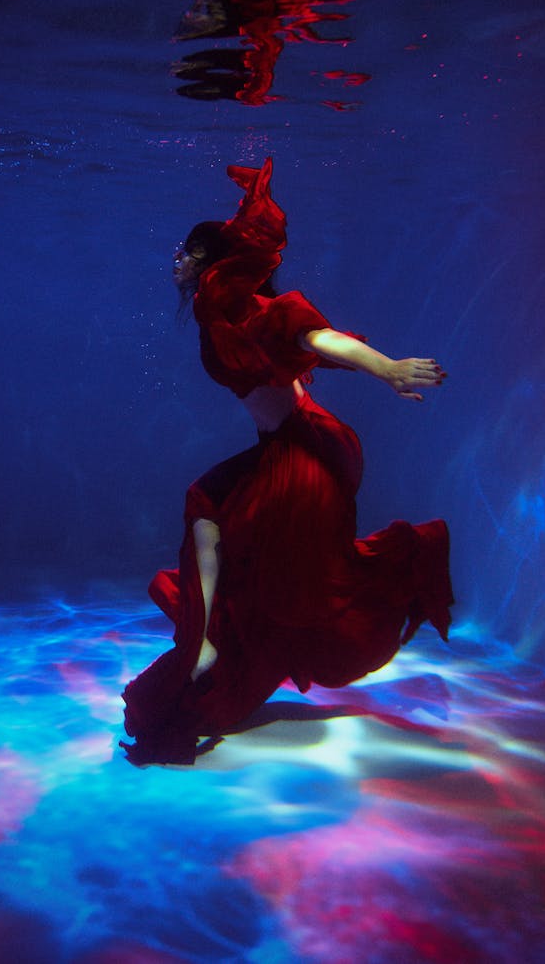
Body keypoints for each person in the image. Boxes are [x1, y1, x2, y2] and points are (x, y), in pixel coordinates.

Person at [121, 158, 452, 765]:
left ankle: (408, 559)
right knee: (207, 507)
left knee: (293, 573)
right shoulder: (222, 319)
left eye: (183, 254)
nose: (174, 263)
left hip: (305, 452)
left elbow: (319, 340)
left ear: (205, 261)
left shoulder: (257, 315)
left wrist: (388, 369)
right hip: (283, 446)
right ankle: (206, 645)